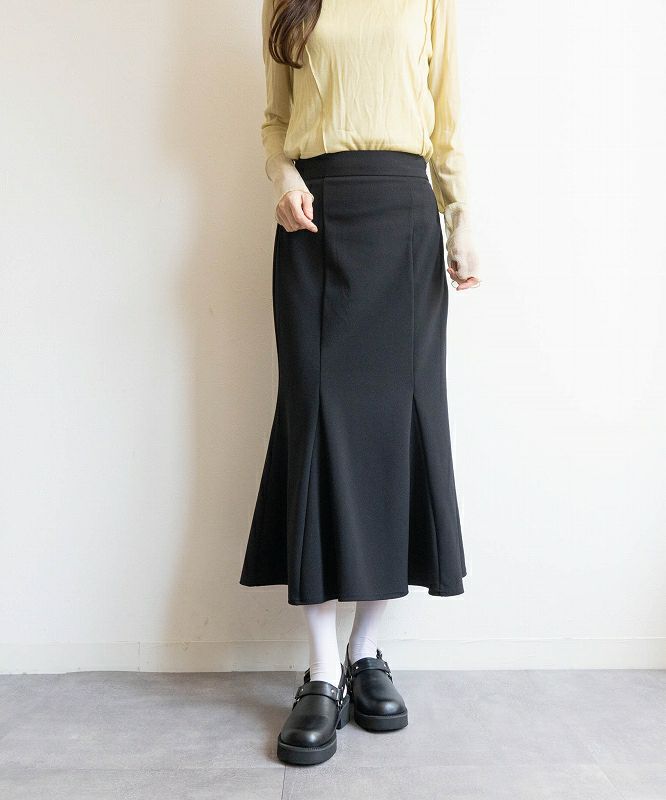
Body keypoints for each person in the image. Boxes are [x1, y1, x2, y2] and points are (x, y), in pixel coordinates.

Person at [239, 0, 480, 765]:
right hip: (314, 223)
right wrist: (283, 177)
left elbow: (446, 117)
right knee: (314, 431)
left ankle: (365, 650)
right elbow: (276, 121)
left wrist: (462, 216)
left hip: (405, 220)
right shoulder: (286, 2)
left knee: (394, 437)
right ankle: (320, 671)